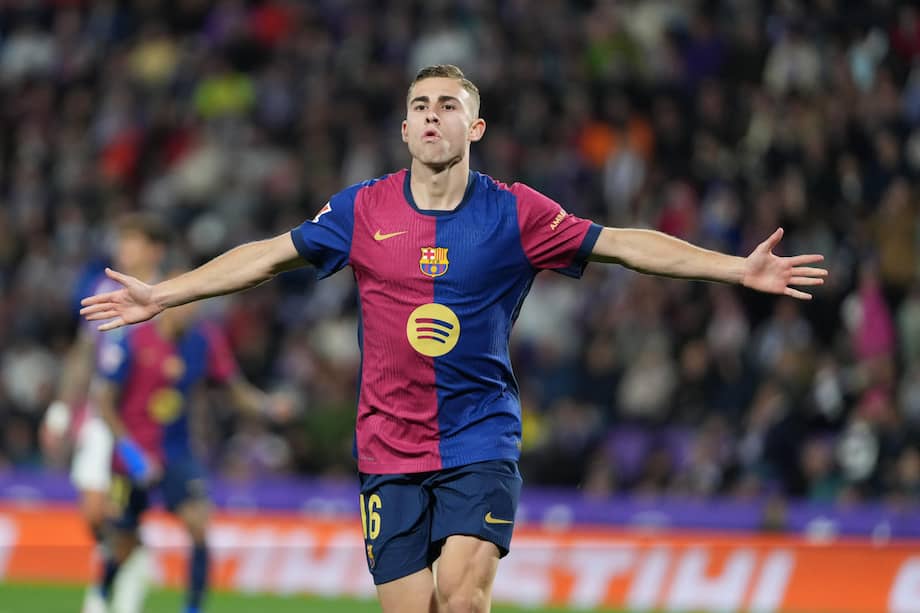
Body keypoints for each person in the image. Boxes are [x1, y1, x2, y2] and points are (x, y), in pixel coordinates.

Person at [81, 65, 827, 613]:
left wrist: (736, 269)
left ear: (475, 127)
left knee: (462, 598)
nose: (432, 115)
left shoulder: (515, 212)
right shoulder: (363, 209)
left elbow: (626, 244)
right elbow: (266, 256)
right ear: (404, 129)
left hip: (478, 437)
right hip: (387, 445)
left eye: (448, 105)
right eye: (419, 106)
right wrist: (165, 291)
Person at [94, 294, 289, 613]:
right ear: (165, 304)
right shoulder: (135, 339)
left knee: (199, 525)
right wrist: (130, 452)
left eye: (194, 304)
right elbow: (104, 401)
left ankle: (193, 609)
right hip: (132, 455)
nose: (190, 311)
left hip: (177, 452)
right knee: (124, 544)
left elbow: (234, 389)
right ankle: (100, 595)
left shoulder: (204, 340)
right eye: (184, 302)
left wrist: (267, 406)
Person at [40, 213, 169, 613]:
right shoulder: (103, 287)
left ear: (154, 250)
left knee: (117, 512)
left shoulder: (170, 293)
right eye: (121, 241)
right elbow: (83, 355)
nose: (122, 249)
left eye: (132, 241)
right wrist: (61, 410)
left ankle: (106, 593)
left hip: (142, 422)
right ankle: (133, 561)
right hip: (101, 415)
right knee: (94, 513)